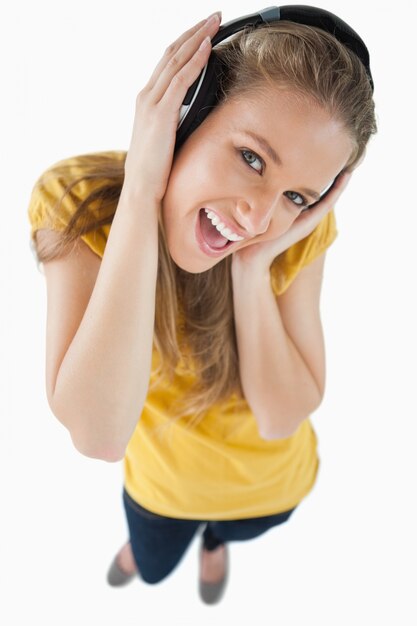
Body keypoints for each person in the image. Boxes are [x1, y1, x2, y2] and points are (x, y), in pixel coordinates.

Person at [27, 7, 377, 605]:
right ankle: (152, 551)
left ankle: (215, 543)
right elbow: (99, 434)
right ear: (186, 112)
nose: (259, 218)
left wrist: (252, 268)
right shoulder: (79, 199)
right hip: (160, 495)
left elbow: (280, 417)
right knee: (155, 563)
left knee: (230, 533)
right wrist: (142, 189)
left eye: (296, 195)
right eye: (251, 158)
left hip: (270, 488)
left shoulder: (289, 236)